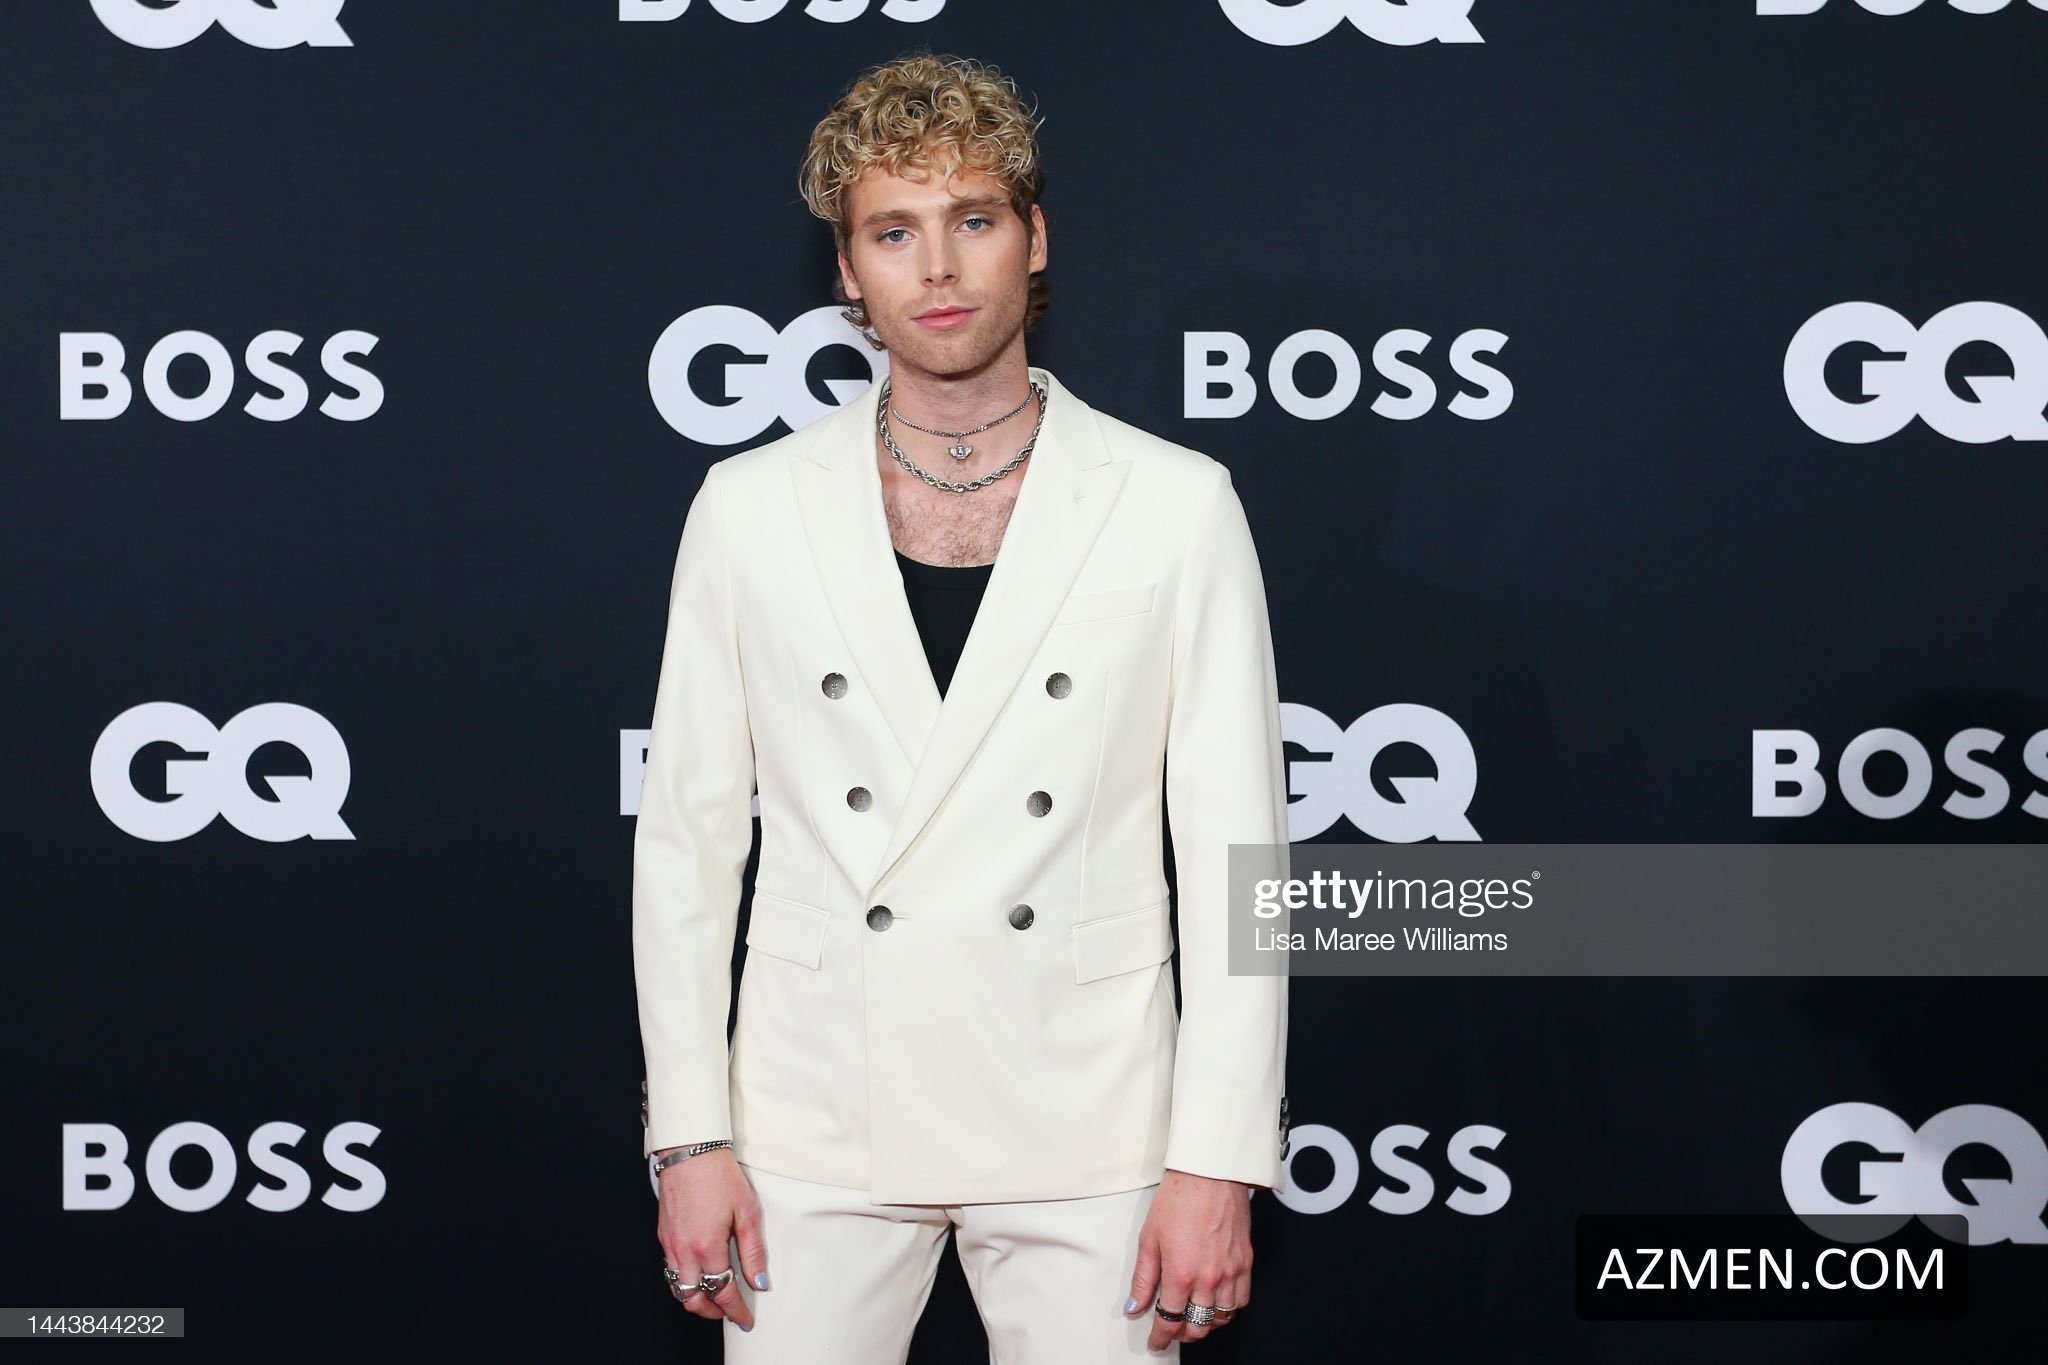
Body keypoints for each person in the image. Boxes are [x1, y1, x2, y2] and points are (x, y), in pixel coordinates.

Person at [633, 52, 1291, 1362]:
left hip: (1094, 1122)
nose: (937, 269)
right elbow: (687, 844)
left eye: (973, 220)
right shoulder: (749, 508)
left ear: (1034, 240)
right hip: (812, 1118)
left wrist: (1218, 1157)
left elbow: (1240, 861)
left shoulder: (1175, 505)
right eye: (894, 232)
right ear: (847, 270)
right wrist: (689, 1137)